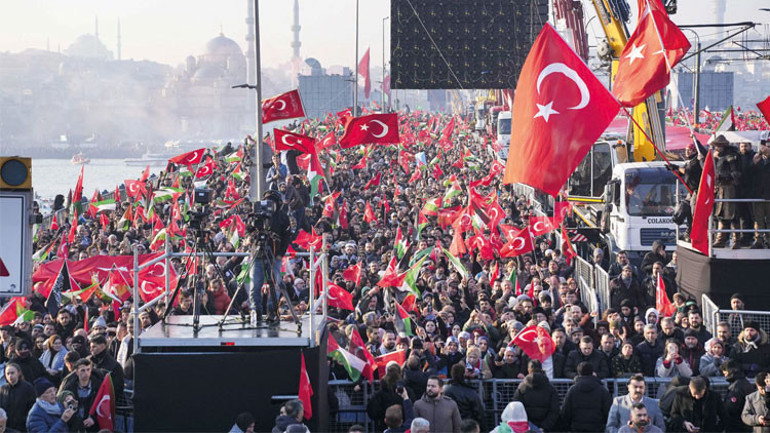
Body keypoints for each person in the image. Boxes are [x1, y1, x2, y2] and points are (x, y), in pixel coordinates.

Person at [249, 189, 293, 326]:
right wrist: (251, 232)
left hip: (275, 257)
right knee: (255, 285)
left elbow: (287, 237)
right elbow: (248, 229)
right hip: (258, 254)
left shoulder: (283, 217)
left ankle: (272, 311)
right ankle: (255, 311)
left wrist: (281, 253)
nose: (270, 204)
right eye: (268, 201)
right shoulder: (256, 214)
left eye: (273, 202)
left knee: (275, 285)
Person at [560, 362, 612, 432]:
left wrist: (568, 427)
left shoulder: (573, 390)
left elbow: (566, 411)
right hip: (597, 428)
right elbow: (608, 410)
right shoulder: (601, 390)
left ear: (579, 373)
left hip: (577, 428)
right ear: (592, 372)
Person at [711, 135, 743, 248]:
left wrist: (722, 176)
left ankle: (736, 240)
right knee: (721, 214)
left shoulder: (730, 157)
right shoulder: (719, 157)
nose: (716, 148)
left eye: (718, 146)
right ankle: (721, 239)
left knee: (732, 214)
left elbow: (736, 174)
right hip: (721, 188)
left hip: (729, 188)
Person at [512, 359, 559, 432]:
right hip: (546, 429)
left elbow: (516, 408)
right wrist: (544, 427)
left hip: (526, 428)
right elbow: (554, 410)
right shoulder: (550, 388)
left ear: (528, 370)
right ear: (541, 369)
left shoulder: (521, 387)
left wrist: (527, 426)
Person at [58, 358, 104, 431]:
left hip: (92, 426)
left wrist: (94, 419)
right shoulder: (70, 387)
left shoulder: (98, 387)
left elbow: (103, 406)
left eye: (88, 370)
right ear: (77, 372)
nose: (86, 373)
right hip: (74, 425)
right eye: (83, 370)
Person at [720, 360, 755, 433]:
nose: (724, 374)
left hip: (736, 425)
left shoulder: (736, 387)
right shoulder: (745, 383)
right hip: (745, 424)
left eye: (724, 371)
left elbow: (731, 408)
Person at [0, 363, 36, 432]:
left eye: (12, 373)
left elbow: (32, 408)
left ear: (18, 373)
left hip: (23, 427)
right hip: (6, 428)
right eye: (8, 374)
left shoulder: (28, 388)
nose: (10, 376)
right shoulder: (2, 389)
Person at [87, 334, 124, 399]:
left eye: (94, 347)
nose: (91, 350)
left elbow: (117, 388)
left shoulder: (114, 365)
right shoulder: (88, 361)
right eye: (90, 347)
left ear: (102, 346)